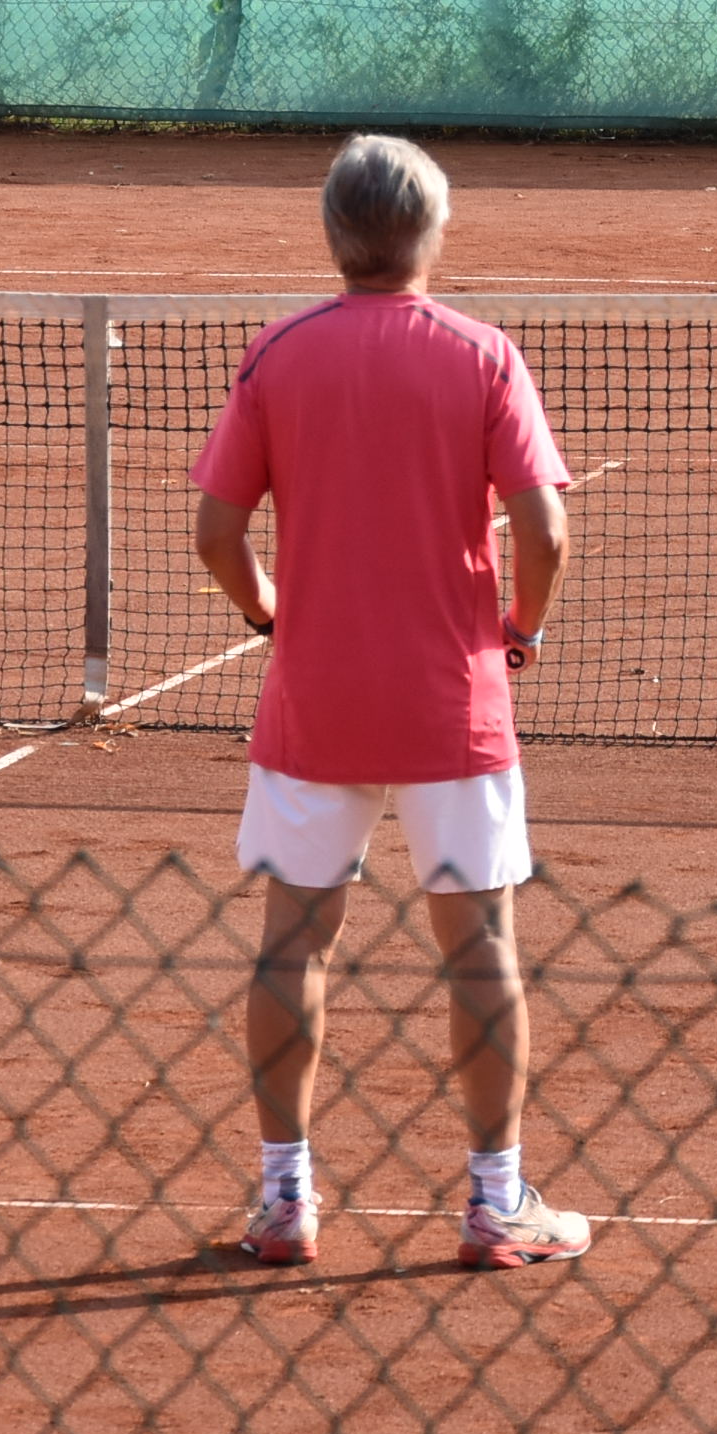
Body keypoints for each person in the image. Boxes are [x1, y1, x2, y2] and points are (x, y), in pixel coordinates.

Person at [190, 132, 587, 1272]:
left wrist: (271, 613)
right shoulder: (482, 355)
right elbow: (545, 529)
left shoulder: (278, 354)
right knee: (480, 948)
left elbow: (214, 531)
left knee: (293, 943)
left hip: (316, 705)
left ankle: (283, 1200)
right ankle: (496, 1202)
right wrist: (521, 628)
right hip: (450, 707)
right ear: (432, 233)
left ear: (333, 233)